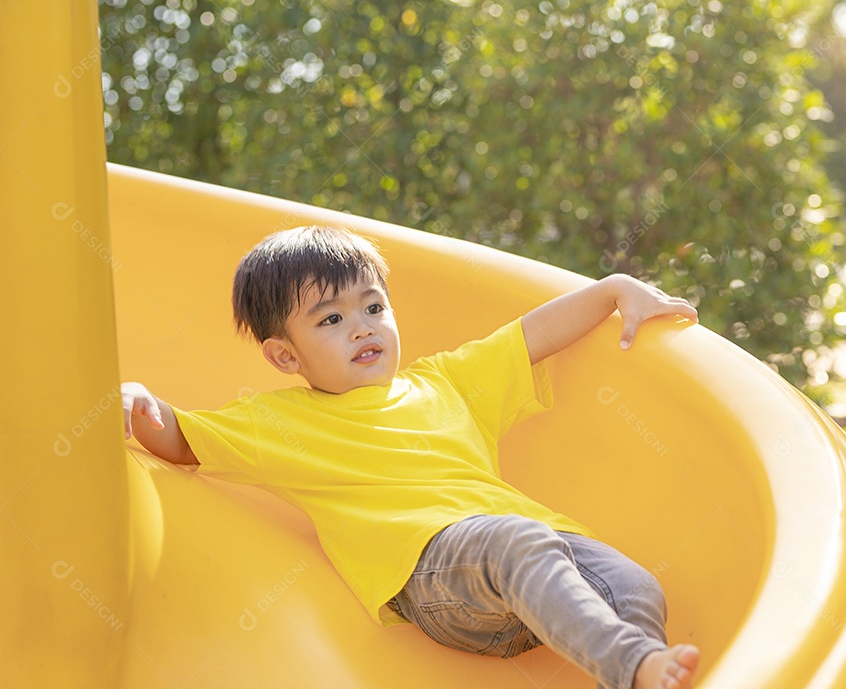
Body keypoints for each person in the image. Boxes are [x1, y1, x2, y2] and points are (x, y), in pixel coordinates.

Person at [122, 225, 701, 689]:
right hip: (436, 576)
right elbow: (185, 441)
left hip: (537, 565)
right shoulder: (279, 421)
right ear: (284, 357)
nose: (361, 328)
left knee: (635, 585)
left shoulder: (445, 381)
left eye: (373, 307)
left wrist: (613, 288)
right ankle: (635, 666)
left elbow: (532, 334)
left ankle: (638, 674)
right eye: (330, 319)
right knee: (517, 540)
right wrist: (142, 406)